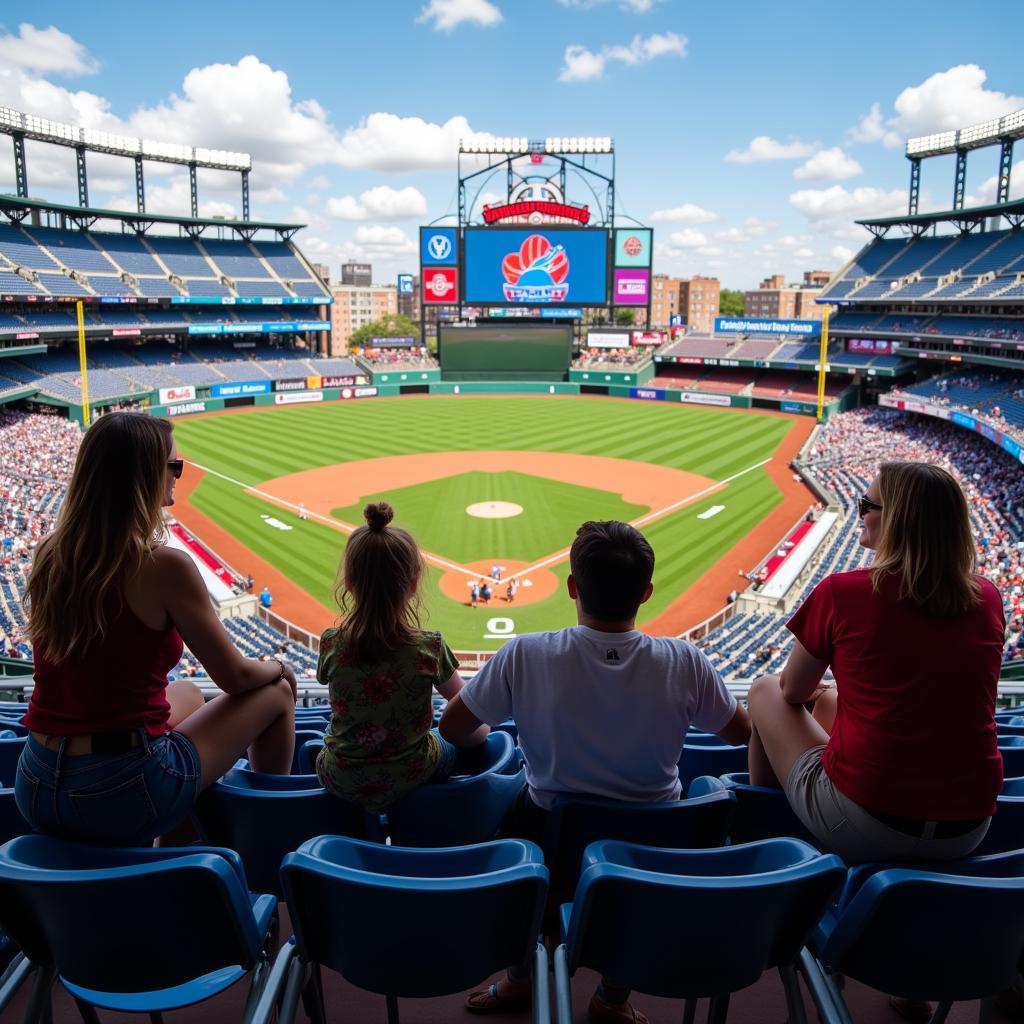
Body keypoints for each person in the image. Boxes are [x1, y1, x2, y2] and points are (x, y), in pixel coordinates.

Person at [441, 520, 750, 1024]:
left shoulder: (526, 652)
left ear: (572, 588)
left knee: (510, 826)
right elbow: (742, 733)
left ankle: (522, 975)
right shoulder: (685, 660)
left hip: (553, 831)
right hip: (658, 841)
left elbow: (454, 728)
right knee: (652, 858)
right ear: (646, 593)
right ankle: (612, 995)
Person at [15, 412, 297, 847]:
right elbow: (236, 678)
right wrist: (278, 666)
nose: (179, 475)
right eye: (174, 466)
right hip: (116, 791)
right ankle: (264, 842)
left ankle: (178, 840)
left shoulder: (51, 554)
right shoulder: (163, 565)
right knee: (275, 693)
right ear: (145, 475)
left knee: (186, 692)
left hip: (33, 780)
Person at [747, 461, 1004, 870]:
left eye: (868, 504)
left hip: (870, 824)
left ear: (899, 519)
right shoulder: (988, 598)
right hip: (970, 828)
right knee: (832, 699)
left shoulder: (842, 592)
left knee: (763, 689)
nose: (861, 511)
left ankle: (765, 826)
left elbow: (791, 692)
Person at [316, 502, 486, 814]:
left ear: (350, 583)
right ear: (412, 585)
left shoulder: (331, 642)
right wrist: (484, 732)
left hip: (339, 775)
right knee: (469, 743)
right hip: (411, 773)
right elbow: (466, 709)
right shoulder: (428, 647)